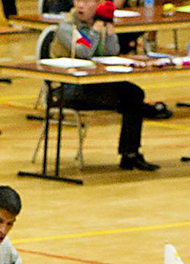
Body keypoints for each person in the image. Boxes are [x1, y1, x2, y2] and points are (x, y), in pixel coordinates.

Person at [39, 2, 158, 170]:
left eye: (87, 2)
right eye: (78, 1)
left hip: (92, 84)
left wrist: (109, 28)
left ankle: (130, 154)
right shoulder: (67, 26)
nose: (81, 5)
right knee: (127, 98)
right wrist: (96, 29)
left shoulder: (99, 23)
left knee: (134, 93)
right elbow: (84, 51)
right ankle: (129, 153)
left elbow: (112, 51)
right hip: (67, 88)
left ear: (96, 5)